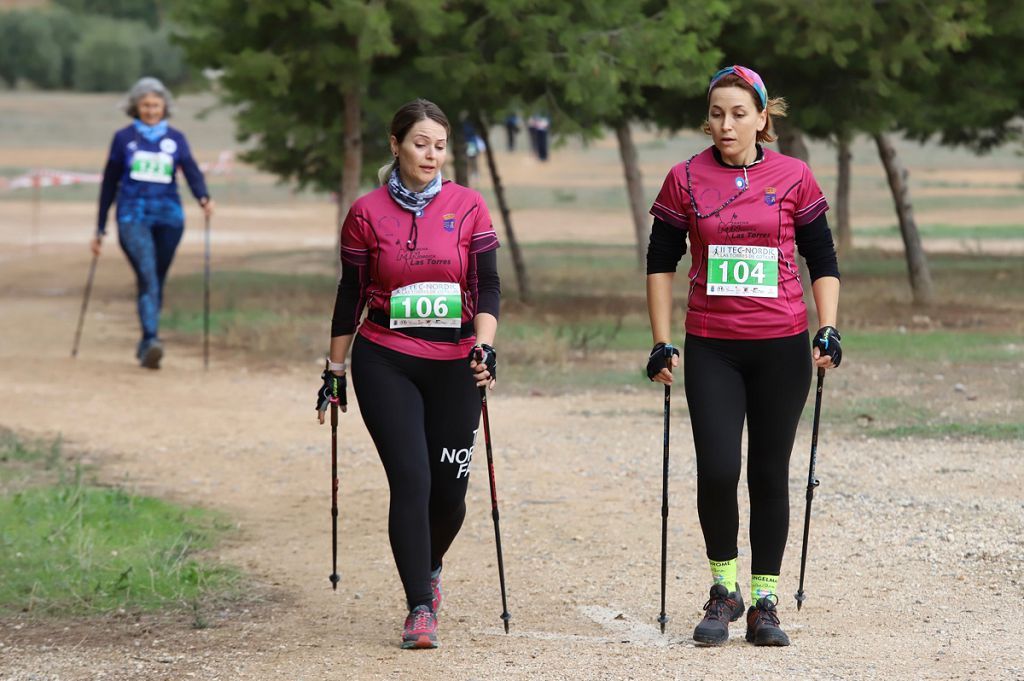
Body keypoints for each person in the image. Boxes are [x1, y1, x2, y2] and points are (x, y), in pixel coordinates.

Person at [644, 65, 842, 647]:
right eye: (715, 113)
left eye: (737, 113)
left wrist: (827, 328)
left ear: (762, 118)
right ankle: (722, 589)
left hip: (781, 346)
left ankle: (763, 601)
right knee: (718, 467)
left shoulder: (794, 176)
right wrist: (661, 339)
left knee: (767, 472)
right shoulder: (684, 178)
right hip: (713, 347)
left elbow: (822, 260)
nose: (725, 124)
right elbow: (660, 261)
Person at [315, 98, 501, 650]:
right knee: (412, 482)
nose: (431, 155)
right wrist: (335, 366)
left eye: (440, 146)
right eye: (421, 143)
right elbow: (350, 293)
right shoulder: (367, 212)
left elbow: (488, 286)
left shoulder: (468, 206)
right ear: (395, 145)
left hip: (456, 363)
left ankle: (429, 564)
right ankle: (419, 605)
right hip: (386, 358)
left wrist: (485, 348)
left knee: (449, 493)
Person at [92, 77, 214, 369]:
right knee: (147, 276)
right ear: (135, 106)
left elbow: (192, 171)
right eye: (145, 105)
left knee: (156, 279)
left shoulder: (176, 138)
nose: (150, 110)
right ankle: (151, 339)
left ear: (164, 107)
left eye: (156, 105)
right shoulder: (123, 139)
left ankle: (147, 342)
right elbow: (109, 182)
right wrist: (100, 226)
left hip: (169, 216)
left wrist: (203, 197)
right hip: (132, 215)